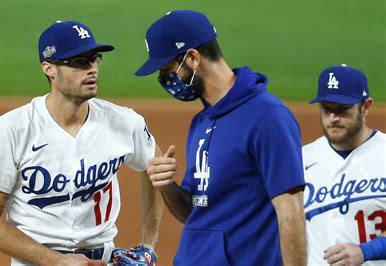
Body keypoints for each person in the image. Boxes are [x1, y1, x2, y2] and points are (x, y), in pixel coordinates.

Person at [0, 20, 164, 265]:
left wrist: (148, 245)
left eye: (94, 59)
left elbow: (155, 166)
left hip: (104, 259)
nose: (92, 69)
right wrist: (55, 261)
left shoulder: (125, 122)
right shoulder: (11, 130)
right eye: (79, 62)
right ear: (49, 68)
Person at [135, 10, 307, 266]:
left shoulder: (267, 117)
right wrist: (167, 186)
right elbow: (195, 209)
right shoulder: (201, 122)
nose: (164, 80)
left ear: (192, 58)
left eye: (167, 69)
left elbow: (290, 212)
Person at [303, 64, 386, 266]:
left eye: (343, 110)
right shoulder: (301, 159)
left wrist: (366, 251)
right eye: (327, 109)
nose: (333, 118)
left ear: (365, 107)